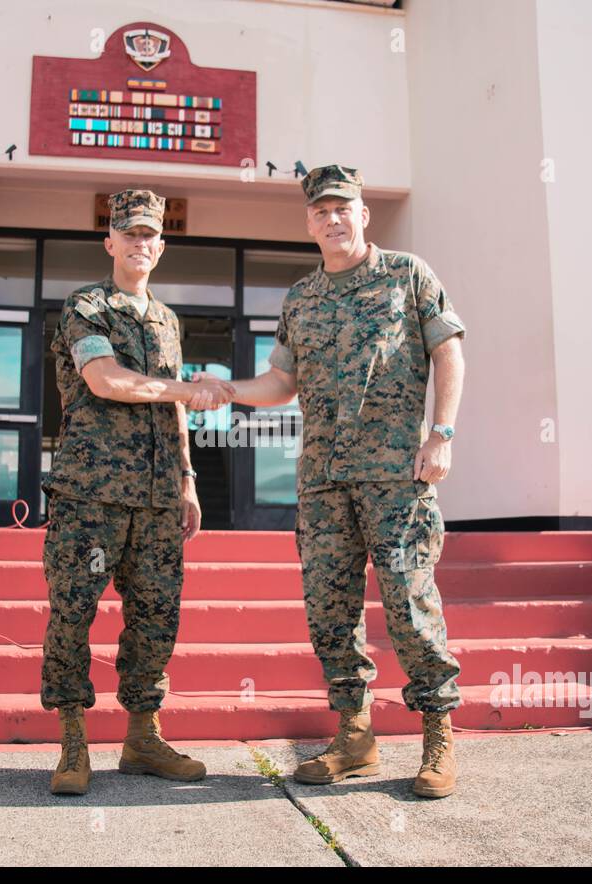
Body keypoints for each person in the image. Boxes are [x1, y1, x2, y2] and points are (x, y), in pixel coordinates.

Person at [194, 165, 466, 798]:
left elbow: (448, 349)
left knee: (409, 602)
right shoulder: (301, 298)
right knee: (329, 610)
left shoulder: (408, 275)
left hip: (398, 476)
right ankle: (355, 735)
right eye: (321, 212)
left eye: (344, 208)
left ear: (364, 213)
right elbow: (281, 382)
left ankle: (437, 736)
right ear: (309, 223)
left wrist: (442, 434)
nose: (333, 219)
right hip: (322, 484)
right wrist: (226, 390)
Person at [41, 187, 235, 795]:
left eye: (150, 235)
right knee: (73, 612)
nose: (140, 244)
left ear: (161, 245)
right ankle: (74, 741)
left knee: (156, 618)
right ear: (110, 241)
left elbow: (173, 410)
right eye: (129, 233)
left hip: (156, 499)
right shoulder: (87, 306)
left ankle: (141, 737)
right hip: (89, 495)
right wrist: (185, 391)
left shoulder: (167, 320)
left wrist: (188, 479)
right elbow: (106, 381)